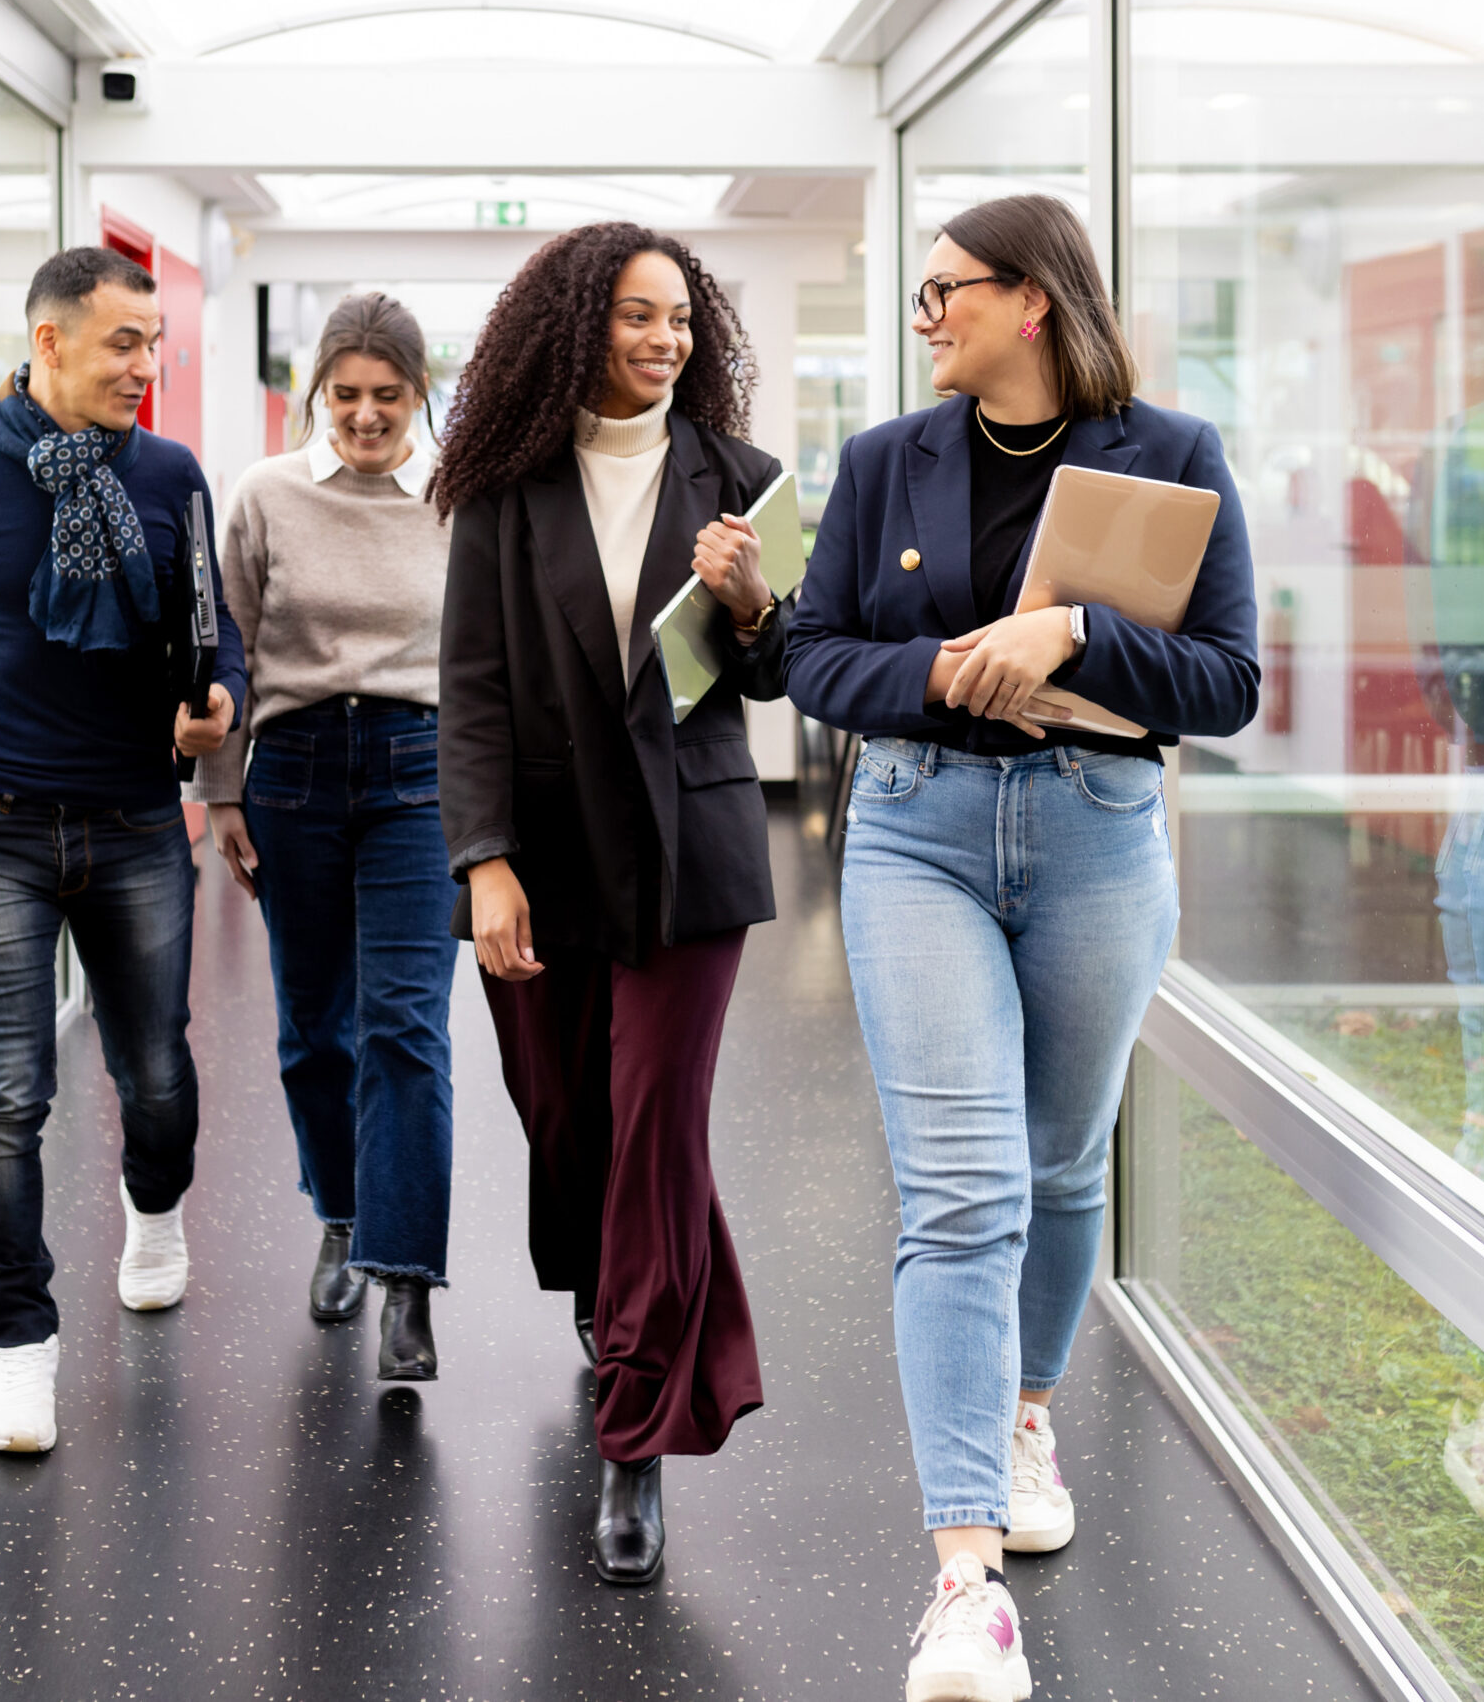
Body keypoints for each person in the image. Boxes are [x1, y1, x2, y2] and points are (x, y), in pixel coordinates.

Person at [785, 193, 1257, 1700]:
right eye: (923, 298)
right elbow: (810, 653)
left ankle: (1027, 1402)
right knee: (963, 1185)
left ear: (1033, 300)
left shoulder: (1171, 457)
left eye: (947, 294)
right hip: (918, 827)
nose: (928, 318)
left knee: (1061, 1164)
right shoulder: (881, 464)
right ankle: (965, 1578)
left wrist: (1068, 636)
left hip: (1100, 829)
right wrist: (938, 664)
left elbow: (1231, 680)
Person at [435, 222, 791, 1587]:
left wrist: (757, 607)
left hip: (690, 856)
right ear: (575, 326)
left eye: (683, 320)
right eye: (639, 316)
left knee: (655, 1125)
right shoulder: (503, 485)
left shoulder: (744, 483)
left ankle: (635, 1427)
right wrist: (485, 860)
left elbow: (764, 682)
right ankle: (613, 1290)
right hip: (543, 846)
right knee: (569, 1113)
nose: (665, 340)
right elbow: (467, 685)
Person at [0, 246, 244, 1456]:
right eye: (122, 344)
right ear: (49, 342)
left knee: (154, 1077)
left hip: (140, 821)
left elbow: (214, 631)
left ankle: (155, 1213)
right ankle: (18, 1343)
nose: (145, 366)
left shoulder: (171, 475)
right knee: (6, 1096)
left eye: (153, 344)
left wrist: (218, 703)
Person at [194, 293, 457, 1379]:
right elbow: (226, 648)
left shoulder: (458, 495)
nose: (363, 417)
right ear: (315, 395)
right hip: (293, 776)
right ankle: (341, 1217)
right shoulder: (265, 495)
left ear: (418, 395)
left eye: (386, 397)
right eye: (343, 396)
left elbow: (488, 660)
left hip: (420, 774)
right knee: (315, 1028)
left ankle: (406, 1283)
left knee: (405, 1027)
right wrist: (220, 794)